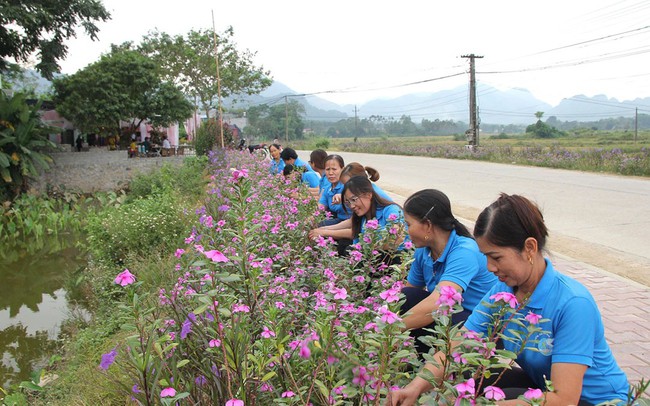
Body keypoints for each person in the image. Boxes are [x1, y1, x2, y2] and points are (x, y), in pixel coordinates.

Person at [389, 193, 629, 406]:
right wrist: (416, 386)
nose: (490, 267)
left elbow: (564, 399)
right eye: (485, 257)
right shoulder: (502, 291)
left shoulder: (573, 303)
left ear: (529, 248)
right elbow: (460, 343)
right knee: (479, 378)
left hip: (593, 401)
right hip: (543, 385)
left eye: (496, 257)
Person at [400, 189, 497, 355]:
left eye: (408, 225)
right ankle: (420, 360)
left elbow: (440, 303)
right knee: (408, 296)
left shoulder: (464, 252)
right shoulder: (424, 251)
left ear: (428, 225)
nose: (405, 231)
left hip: (478, 323)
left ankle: (439, 368)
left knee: (445, 319)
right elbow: (408, 296)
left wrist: (389, 329)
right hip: (450, 316)